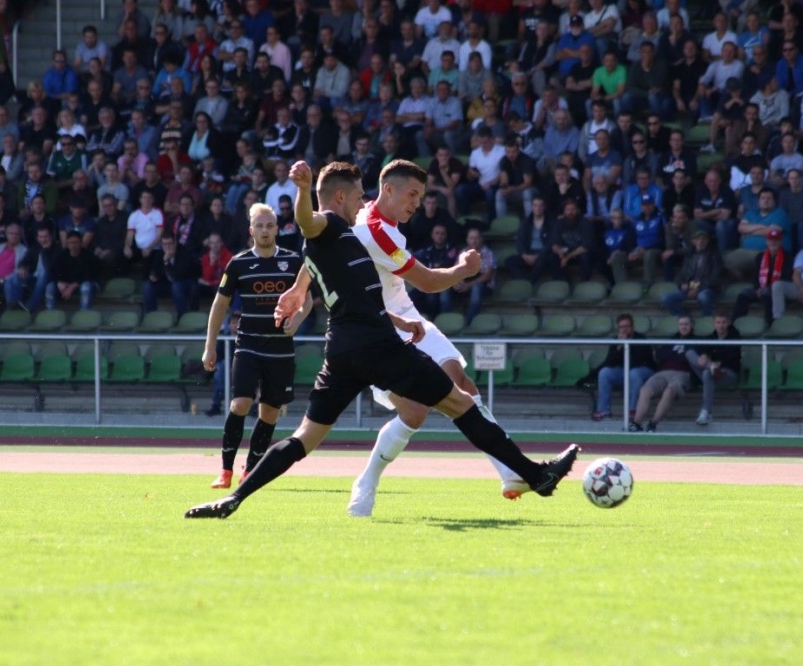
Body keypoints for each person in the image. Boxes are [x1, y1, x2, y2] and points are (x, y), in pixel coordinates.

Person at [184, 161, 579, 519]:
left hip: (342, 350)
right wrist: (303, 190)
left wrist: (397, 319)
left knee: (304, 438)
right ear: (341, 197)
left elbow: (356, 297)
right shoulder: (329, 224)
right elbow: (307, 221)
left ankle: (233, 499)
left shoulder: (344, 238)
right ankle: (536, 476)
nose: (364, 202)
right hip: (377, 347)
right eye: (359, 195)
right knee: (460, 403)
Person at [285, 159, 527, 517]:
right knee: (414, 413)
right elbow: (427, 281)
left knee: (461, 382)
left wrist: (298, 287)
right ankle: (366, 481)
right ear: (388, 190)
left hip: (408, 315)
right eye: (412, 194)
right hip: (376, 327)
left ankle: (510, 471)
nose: (417, 203)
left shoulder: (366, 217)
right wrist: (464, 269)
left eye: (421, 196)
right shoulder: (373, 230)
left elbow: (324, 248)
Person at [202, 203, 311, 489]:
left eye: (269, 225)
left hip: (281, 349)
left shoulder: (293, 262)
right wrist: (210, 346)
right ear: (251, 230)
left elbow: (307, 299)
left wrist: (297, 319)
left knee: (270, 412)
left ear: (277, 229)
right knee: (240, 404)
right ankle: (225, 470)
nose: (265, 230)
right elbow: (220, 304)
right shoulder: (238, 263)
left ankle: (250, 469)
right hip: (248, 345)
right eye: (259, 226)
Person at [628, 315, 696, 433]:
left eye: (686, 324)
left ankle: (653, 423)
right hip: (663, 373)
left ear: (692, 326)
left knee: (669, 391)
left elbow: (690, 358)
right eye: (681, 324)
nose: (683, 327)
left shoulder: (697, 341)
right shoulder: (671, 339)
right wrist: (679, 355)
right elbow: (659, 354)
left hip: (683, 373)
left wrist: (673, 355)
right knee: (645, 390)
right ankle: (637, 423)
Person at [586, 313, 656, 423]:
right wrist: (619, 347)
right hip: (625, 371)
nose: (624, 329)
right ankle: (604, 410)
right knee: (605, 372)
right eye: (621, 327)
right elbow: (610, 362)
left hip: (643, 371)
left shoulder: (641, 339)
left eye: (627, 326)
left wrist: (627, 345)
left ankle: (633, 410)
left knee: (634, 373)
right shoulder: (616, 340)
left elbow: (638, 362)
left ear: (632, 327)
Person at [687, 311, 741, 426]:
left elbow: (733, 359)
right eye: (718, 322)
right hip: (711, 370)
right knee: (690, 353)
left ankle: (706, 412)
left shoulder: (735, 337)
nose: (721, 325)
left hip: (728, 372)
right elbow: (702, 348)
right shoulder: (711, 337)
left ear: (728, 322)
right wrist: (704, 355)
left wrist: (718, 364)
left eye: (723, 322)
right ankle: (710, 367)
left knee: (707, 374)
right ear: (714, 323)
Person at [662, 229, 722, 317]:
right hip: (689, 288)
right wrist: (682, 284)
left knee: (703, 297)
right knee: (666, 298)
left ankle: (706, 319)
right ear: (693, 241)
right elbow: (682, 274)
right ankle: (684, 318)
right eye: (698, 239)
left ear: (707, 241)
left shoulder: (714, 256)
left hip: (706, 288)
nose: (700, 241)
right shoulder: (689, 255)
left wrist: (698, 289)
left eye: (703, 239)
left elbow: (715, 278)